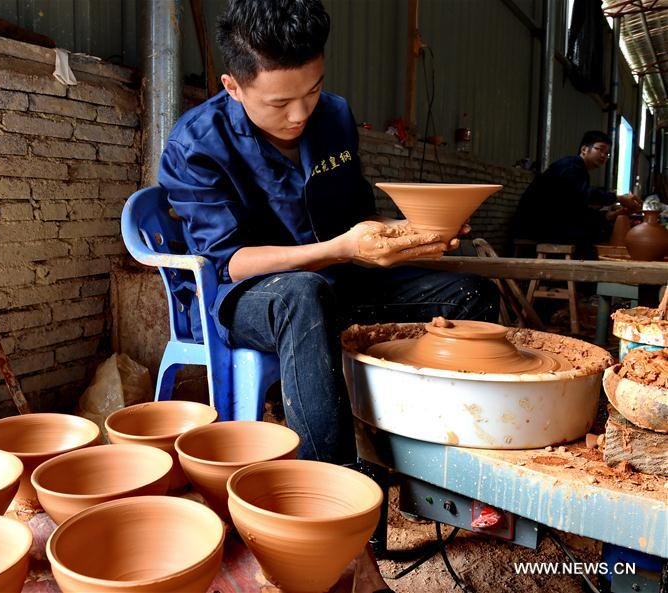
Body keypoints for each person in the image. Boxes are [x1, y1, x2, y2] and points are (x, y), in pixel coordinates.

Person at [158, 2, 498, 589]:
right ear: (232, 86)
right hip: (253, 300)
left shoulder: (334, 117)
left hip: (341, 279)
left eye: (311, 92)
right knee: (304, 295)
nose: (299, 114)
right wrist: (344, 248)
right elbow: (231, 262)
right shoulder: (196, 144)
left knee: (468, 295)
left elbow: (354, 216)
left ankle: (436, 472)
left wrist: (406, 236)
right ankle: (341, 529)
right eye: (279, 102)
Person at [514, 131, 642, 257]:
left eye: (607, 153)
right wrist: (617, 197)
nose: (604, 155)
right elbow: (585, 194)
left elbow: (575, 207)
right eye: (600, 149)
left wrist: (611, 215)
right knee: (587, 239)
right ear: (584, 149)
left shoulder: (579, 170)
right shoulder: (571, 165)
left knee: (595, 228)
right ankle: (571, 276)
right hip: (535, 223)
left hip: (549, 220)